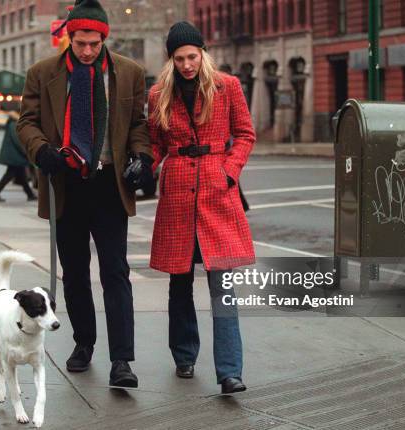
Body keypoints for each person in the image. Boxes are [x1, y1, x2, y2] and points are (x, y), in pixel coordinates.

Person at [17, 0, 153, 388]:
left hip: (111, 185)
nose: (88, 51)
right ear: (69, 38)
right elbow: (25, 123)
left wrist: (142, 156)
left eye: (94, 43)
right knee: (74, 274)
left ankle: (123, 360)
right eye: (80, 43)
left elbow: (139, 125)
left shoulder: (129, 73)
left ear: (103, 38)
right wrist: (41, 149)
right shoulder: (42, 73)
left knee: (116, 273)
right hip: (66, 186)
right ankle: (83, 343)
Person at [147, 22, 255, 394]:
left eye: (192, 56)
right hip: (177, 193)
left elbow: (245, 135)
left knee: (222, 286)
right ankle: (184, 356)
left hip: (216, 190)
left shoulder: (228, 87)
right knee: (179, 284)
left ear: (203, 53)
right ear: (171, 59)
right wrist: (144, 166)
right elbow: (156, 143)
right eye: (180, 58)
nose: (187, 65)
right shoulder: (159, 92)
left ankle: (230, 371)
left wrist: (229, 172)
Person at [0, 111, 37, 202]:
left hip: (14, 155)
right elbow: (18, 141)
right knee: (9, 175)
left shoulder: (13, 123)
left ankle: (30, 194)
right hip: (14, 155)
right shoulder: (14, 124)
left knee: (21, 176)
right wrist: (26, 152)